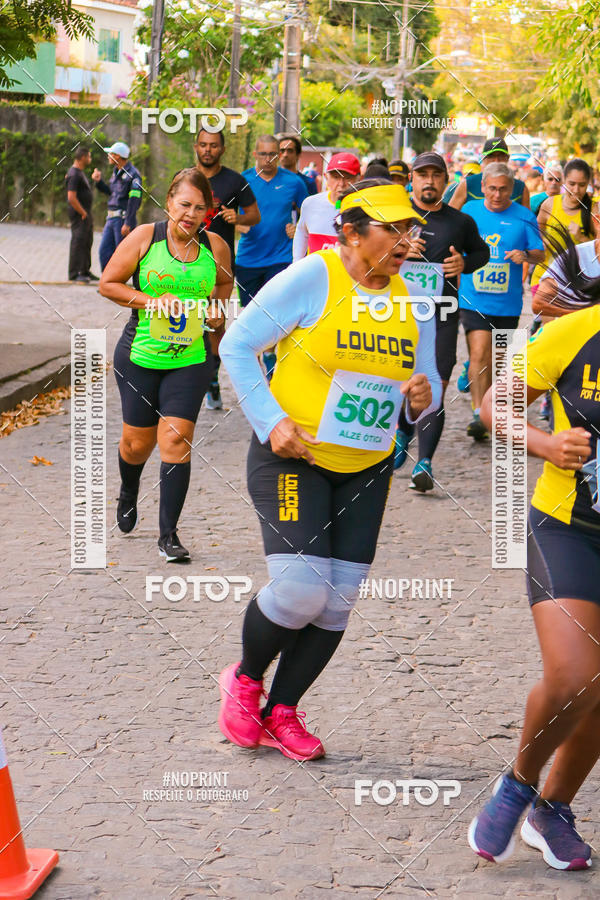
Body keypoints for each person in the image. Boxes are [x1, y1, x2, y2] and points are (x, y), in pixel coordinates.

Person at [217, 180, 441, 761]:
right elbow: (237, 346)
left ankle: (283, 710)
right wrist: (270, 421)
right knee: (298, 590)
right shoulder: (314, 277)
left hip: (367, 466)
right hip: (294, 456)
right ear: (351, 233)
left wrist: (422, 397)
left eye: (409, 230)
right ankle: (244, 679)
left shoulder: (415, 293)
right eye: (392, 229)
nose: (405, 241)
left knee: (338, 599)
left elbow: (429, 385)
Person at [469, 242, 600, 869]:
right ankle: (519, 783)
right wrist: (545, 442)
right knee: (578, 675)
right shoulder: (577, 333)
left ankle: (553, 812)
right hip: (569, 527)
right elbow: (495, 404)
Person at [99, 168, 233, 562]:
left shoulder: (217, 247)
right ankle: (128, 490)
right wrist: (150, 301)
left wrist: (217, 314)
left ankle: (168, 535)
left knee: (175, 440)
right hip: (140, 355)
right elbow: (108, 283)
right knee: (136, 444)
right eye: (184, 204)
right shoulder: (145, 237)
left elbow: (224, 286)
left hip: (191, 358)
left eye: (199, 207)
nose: (190, 214)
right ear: (169, 202)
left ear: (209, 211)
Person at [395, 151, 489, 489]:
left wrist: (464, 263)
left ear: (445, 181)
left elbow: (482, 253)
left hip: (442, 314)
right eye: (423, 175)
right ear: (413, 180)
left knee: (435, 385)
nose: (429, 181)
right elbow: (367, 257)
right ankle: (404, 431)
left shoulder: (460, 222)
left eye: (436, 175)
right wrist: (401, 248)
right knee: (403, 382)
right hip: (396, 314)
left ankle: (425, 463)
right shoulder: (396, 216)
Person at [459, 162, 544, 439]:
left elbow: (539, 253)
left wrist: (525, 256)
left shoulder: (523, 216)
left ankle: (487, 409)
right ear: (483, 187)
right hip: (472, 297)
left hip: (507, 301)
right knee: (478, 353)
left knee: (496, 360)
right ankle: (477, 413)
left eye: (503, 190)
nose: (497, 195)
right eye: (492, 188)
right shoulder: (469, 212)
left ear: (513, 190)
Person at [194, 127, 260, 410]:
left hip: (220, 265)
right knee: (186, 322)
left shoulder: (235, 181)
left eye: (213, 145)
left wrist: (237, 216)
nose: (207, 150)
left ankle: (211, 381)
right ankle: (190, 381)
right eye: (203, 144)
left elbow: (255, 215)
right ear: (196, 146)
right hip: (187, 263)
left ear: (221, 149)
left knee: (214, 322)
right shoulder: (187, 178)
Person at [236, 135, 309, 377]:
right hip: (248, 259)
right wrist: (239, 224)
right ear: (255, 154)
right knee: (252, 316)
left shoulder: (294, 182)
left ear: (279, 155)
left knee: (276, 313)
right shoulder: (243, 181)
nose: (269, 159)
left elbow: (307, 214)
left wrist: (297, 227)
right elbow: (230, 216)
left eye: (273, 154)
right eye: (264, 154)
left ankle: (273, 362)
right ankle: (264, 357)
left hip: (280, 258)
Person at [530, 158, 596, 298]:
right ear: (564, 181)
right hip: (545, 278)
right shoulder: (549, 204)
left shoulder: (594, 210)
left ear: (588, 184)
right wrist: (542, 244)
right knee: (550, 319)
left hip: (578, 285)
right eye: (571, 184)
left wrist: (582, 238)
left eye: (582, 185)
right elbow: (533, 237)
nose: (576, 190)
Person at [292, 152, 361, 261]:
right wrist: (296, 263)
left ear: (358, 179)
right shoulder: (311, 204)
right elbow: (301, 232)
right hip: (316, 273)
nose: (341, 184)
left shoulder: (365, 208)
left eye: (347, 178)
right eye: (336, 177)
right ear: (326, 177)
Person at [92, 141, 143, 271]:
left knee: (122, 254)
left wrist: (128, 222)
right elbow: (112, 193)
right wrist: (98, 182)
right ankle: (108, 282)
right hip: (111, 219)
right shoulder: (116, 172)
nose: (108, 156)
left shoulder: (134, 175)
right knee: (105, 252)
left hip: (123, 220)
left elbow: (134, 200)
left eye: (110, 154)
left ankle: (120, 284)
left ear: (118, 156)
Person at [449, 138, 530, 210]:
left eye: (501, 156)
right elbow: (450, 216)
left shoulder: (521, 187)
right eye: (491, 156)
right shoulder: (467, 184)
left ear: (507, 158)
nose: (496, 161)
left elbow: (527, 221)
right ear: (483, 158)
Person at [66, 146, 96, 284]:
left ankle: (85, 270)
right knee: (78, 242)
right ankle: (74, 273)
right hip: (80, 215)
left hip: (85, 214)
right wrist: (83, 212)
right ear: (83, 157)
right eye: (89, 156)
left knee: (87, 241)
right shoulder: (74, 174)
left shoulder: (80, 172)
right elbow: (71, 197)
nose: (90, 159)